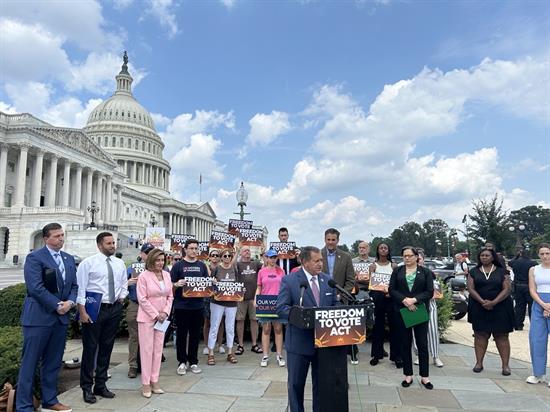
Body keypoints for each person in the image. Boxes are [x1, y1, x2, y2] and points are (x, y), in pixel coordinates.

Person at [16, 223, 78, 412]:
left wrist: (70, 303)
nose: (61, 238)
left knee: (53, 362)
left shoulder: (68, 259)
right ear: (46, 238)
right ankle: (24, 406)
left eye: (62, 235)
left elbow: (74, 286)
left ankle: (50, 400)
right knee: (30, 363)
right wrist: (56, 305)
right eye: (57, 236)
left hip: (60, 319)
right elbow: (35, 287)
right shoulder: (35, 257)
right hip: (38, 319)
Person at [276, 246, 337, 412]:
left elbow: (335, 306)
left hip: (323, 344)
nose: (320, 264)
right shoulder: (290, 280)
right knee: (295, 385)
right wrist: (302, 316)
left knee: (321, 385)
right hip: (299, 344)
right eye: (316, 260)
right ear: (304, 261)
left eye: (321, 260)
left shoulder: (327, 280)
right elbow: (281, 308)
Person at [77, 232, 128, 404]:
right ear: (100, 245)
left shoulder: (119, 263)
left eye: (113, 242)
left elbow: (123, 283)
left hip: (113, 308)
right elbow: (81, 288)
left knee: (107, 348)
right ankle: (86, 387)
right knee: (90, 349)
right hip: (94, 309)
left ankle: (101, 384)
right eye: (109, 243)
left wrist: (122, 296)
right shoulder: (88, 263)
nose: (113, 245)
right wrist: (82, 311)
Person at [389, 246, 434, 390]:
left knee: (422, 344)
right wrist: (405, 300)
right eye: (404, 256)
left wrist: (414, 300)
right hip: (402, 310)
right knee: (405, 343)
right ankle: (407, 375)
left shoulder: (425, 272)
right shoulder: (397, 271)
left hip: (418, 309)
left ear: (416, 257)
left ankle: (424, 376)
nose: (407, 258)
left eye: (410, 256)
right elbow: (392, 289)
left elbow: (429, 291)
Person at [467, 247, 514, 375]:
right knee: (480, 335)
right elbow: (470, 288)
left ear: (493, 257)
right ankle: (479, 363)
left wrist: (493, 302)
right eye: (482, 255)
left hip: (501, 307)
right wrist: (483, 301)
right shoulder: (474, 271)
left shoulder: (502, 271)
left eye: (487, 255)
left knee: (501, 336)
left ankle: (505, 366)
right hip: (479, 306)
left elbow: (507, 289)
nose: (484, 257)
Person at [136, 248, 174, 397]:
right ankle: (145, 383)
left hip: (163, 318)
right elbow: (142, 298)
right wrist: (155, 314)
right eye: (157, 260)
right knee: (146, 351)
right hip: (147, 318)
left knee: (158, 350)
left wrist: (165, 312)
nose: (160, 263)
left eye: (162, 260)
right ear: (151, 260)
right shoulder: (144, 276)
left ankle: (155, 380)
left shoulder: (166, 275)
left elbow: (170, 296)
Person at [171, 239, 209, 375]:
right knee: (181, 335)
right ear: (185, 250)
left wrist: (212, 282)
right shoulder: (178, 266)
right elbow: (169, 285)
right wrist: (176, 284)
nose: (194, 251)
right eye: (191, 248)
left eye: (196, 248)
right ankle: (182, 362)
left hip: (198, 306)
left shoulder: (202, 266)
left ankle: (193, 362)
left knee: (194, 336)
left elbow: (207, 284)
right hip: (181, 306)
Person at [368, 243, 402, 367]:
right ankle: (376, 355)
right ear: (377, 250)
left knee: (395, 327)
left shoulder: (394, 266)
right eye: (380, 248)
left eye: (385, 248)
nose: (383, 249)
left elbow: (397, 283)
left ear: (388, 250)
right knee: (378, 327)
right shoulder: (372, 266)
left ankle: (396, 356)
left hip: (391, 297)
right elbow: (371, 284)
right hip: (378, 298)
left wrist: (390, 292)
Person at [207, 248, 241, 365]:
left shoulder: (234, 269)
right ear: (221, 257)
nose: (227, 258)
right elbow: (210, 284)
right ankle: (211, 353)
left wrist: (241, 290)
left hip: (231, 302)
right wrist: (214, 282)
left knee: (230, 327)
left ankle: (230, 352)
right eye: (225, 256)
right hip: (217, 301)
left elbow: (237, 284)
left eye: (229, 256)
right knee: (214, 326)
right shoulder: (217, 268)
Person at [126, 243, 154, 378]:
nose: (149, 255)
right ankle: (133, 365)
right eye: (146, 252)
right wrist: (128, 283)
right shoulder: (132, 268)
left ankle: (147, 364)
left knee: (151, 336)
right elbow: (120, 286)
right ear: (141, 254)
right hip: (135, 303)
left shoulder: (159, 268)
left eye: (151, 252)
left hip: (152, 305)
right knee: (134, 336)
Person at [256, 249, 286, 367]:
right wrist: (256, 299)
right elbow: (259, 287)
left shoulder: (281, 271)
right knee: (266, 329)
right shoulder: (261, 272)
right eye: (270, 257)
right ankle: (265, 355)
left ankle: (279, 354)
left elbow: (284, 288)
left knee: (278, 329)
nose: (273, 259)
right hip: (265, 302)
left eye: (274, 257)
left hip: (278, 302)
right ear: (266, 258)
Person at [414, 252, 444, 368]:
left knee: (432, 330)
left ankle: (435, 356)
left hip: (430, 304)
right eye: (415, 258)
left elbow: (436, 290)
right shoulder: (408, 273)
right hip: (416, 305)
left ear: (423, 259)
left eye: (419, 258)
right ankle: (418, 355)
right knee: (416, 331)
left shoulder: (429, 273)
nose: (417, 260)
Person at [526, 243, 550, 385]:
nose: (545, 256)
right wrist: (543, 305)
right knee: (537, 340)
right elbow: (532, 290)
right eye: (542, 254)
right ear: (538, 255)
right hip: (538, 305)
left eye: (547, 253)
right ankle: (538, 373)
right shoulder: (533, 269)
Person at [235, 246, 263, 355]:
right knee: (240, 320)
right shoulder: (238, 264)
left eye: (248, 250)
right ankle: (240, 345)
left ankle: (254, 344)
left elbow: (266, 266)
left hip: (253, 297)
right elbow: (231, 266)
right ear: (241, 253)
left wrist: (263, 252)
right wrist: (236, 252)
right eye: (245, 250)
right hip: (240, 297)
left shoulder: (255, 264)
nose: (248, 252)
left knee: (254, 320)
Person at [202, 249, 225, 355]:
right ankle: (207, 345)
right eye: (213, 255)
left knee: (220, 322)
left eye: (217, 255)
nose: (215, 257)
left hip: (220, 296)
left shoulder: (223, 268)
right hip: (207, 297)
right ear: (209, 257)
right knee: (207, 322)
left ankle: (220, 345)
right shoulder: (205, 267)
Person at [509, 249, 537, 330]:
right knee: (532, 306)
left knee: (519, 306)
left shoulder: (515, 262)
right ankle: (534, 325)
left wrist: (517, 256)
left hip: (518, 286)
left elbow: (510, 263)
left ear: (521, 254)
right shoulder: (533, 263)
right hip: (529, 286)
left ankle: (518, 325)